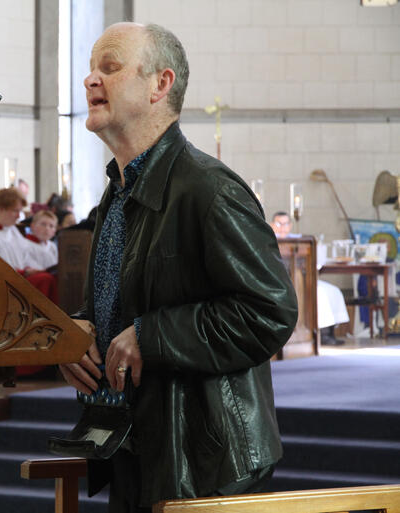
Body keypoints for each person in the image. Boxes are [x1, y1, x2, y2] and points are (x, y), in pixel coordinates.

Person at [57, 22, 297, 511]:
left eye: (110, 67)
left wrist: (153, 336)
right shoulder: (118, 191)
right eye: (89, 70)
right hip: (135, 444)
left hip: (203, 460)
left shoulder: (210, 190)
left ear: (160, 84)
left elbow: (269, 312)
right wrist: (80, 331)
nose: (90, 81)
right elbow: (128, 294)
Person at [271, 211, 348, 345]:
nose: (283, 227)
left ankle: (330, 333)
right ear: (272, 225)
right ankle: (322, 334)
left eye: (286, 223)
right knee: (320, 293)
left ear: (290, 225)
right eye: (279, 223)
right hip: (282, 281)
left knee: (332, 290)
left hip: (301, 278)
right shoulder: (270, 240)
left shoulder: (299, 241)